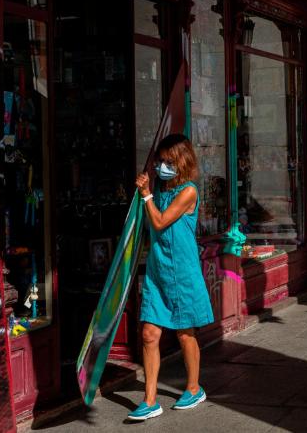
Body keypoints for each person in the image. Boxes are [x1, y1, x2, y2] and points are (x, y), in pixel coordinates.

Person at [129, 133, 214, 421]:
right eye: (160, 161)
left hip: (183, 272)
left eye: (168, 161)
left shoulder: (188, 191)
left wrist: (146, 195)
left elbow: (160, 222)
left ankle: (194, 387)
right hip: (158, 270)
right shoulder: (161, 189)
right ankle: (150, 400)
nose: (162, 166)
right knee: (149, 334)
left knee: (184, 333)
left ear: (181, 161)